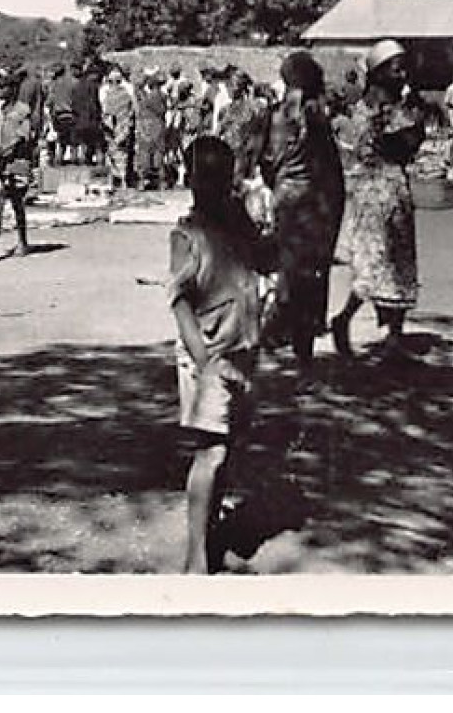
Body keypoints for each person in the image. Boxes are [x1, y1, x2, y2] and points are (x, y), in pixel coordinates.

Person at [169, 135, 273, 574]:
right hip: (209, 354)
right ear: (191, 181)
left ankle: (210, 526)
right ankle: (196, 555)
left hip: (244, 346)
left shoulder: (238, 222)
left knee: (229, 447)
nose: (212, 187)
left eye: (220, 177)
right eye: (203, 178)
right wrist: (204, 359)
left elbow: (266, 258)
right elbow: (179, 301)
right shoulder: (186, 235)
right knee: (210, 452)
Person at [329, 39, 426, 363]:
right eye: (397, 69)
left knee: (395, 264)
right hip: (378, 193)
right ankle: (344, 319)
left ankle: (393, 338)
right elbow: (404, 146)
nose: (403, 74)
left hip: (386, 190)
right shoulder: (382, 110)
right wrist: (416, 117)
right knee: (376, 264)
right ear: (380, 72)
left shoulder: (371, 107)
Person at [260, 51, 347, 366]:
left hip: (287, 203)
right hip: (316, 206)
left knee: (290, 273)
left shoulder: (275, 116)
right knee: (313, 278)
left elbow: (265, 164)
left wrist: (281, 187)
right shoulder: (317, 118)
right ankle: (303, 356)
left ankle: (276, 330)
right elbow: (330, 169)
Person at [0, 71, 36, 263]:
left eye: (3, 87)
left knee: (17, 203)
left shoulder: (22, 110)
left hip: (17, 163)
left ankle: (22, 242)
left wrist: (4, 150)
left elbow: (23, 137)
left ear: (12, 90)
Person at [100, 65, 136, 188]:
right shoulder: (126, 94)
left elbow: (106, 113)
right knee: (123, 155)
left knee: (113, 154)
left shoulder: (108, 95)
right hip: (124, 127)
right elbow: (132, 111)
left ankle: (117, 179)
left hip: (113, 127)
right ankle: (123, 179)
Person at [134, 69, 169, 190]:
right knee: (158, 154)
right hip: (158, 127)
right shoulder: (163, 96)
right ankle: (161, 182)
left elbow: (137, 87)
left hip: (146, 127)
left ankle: (142, 181)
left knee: (144, 154)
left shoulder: (146, 98)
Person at [72, 63, 104, 167]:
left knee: (84, 143)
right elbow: (95, 103)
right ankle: (99, 165)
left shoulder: (78, 86)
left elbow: (74, 104)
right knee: (98, 144)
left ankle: (84, 165)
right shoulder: (94, 86)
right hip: (92, 119)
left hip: (80, 119)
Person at [47, 65, 78, 166]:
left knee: (61, 143)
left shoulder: (54, 85)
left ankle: (58, 164)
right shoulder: (75, 82)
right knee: (73, 143)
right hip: (72, 115)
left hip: (59, 116)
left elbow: (49, 102)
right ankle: (74, 166)